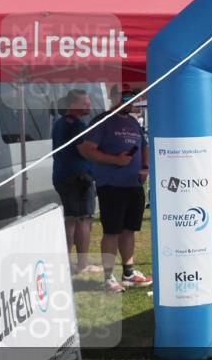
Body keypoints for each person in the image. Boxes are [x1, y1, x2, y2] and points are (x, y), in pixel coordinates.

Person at [78, 88, 153, 293]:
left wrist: (144, 166)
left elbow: (144, 145)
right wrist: (115, 160)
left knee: (129, 230)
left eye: (132, 97)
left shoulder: (133, 122)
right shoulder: (103, 121)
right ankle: (108, 277)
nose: (130, 101)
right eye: (125, 97)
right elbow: (85, 149)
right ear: (113, 98)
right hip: (111, 185)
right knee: (112, 231)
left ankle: (128, 273)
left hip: (134, 184)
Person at [52, 89, 100, 275]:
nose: (88, 105)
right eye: (85, 103)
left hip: (62, 175)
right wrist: (107, 158)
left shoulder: (60, 123)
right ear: (73, 105)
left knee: (71, 220)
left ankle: (67, 262)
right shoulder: (77, 125)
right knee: (84, 219)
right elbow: (85, 151)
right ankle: (83, 263)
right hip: (78, 178)